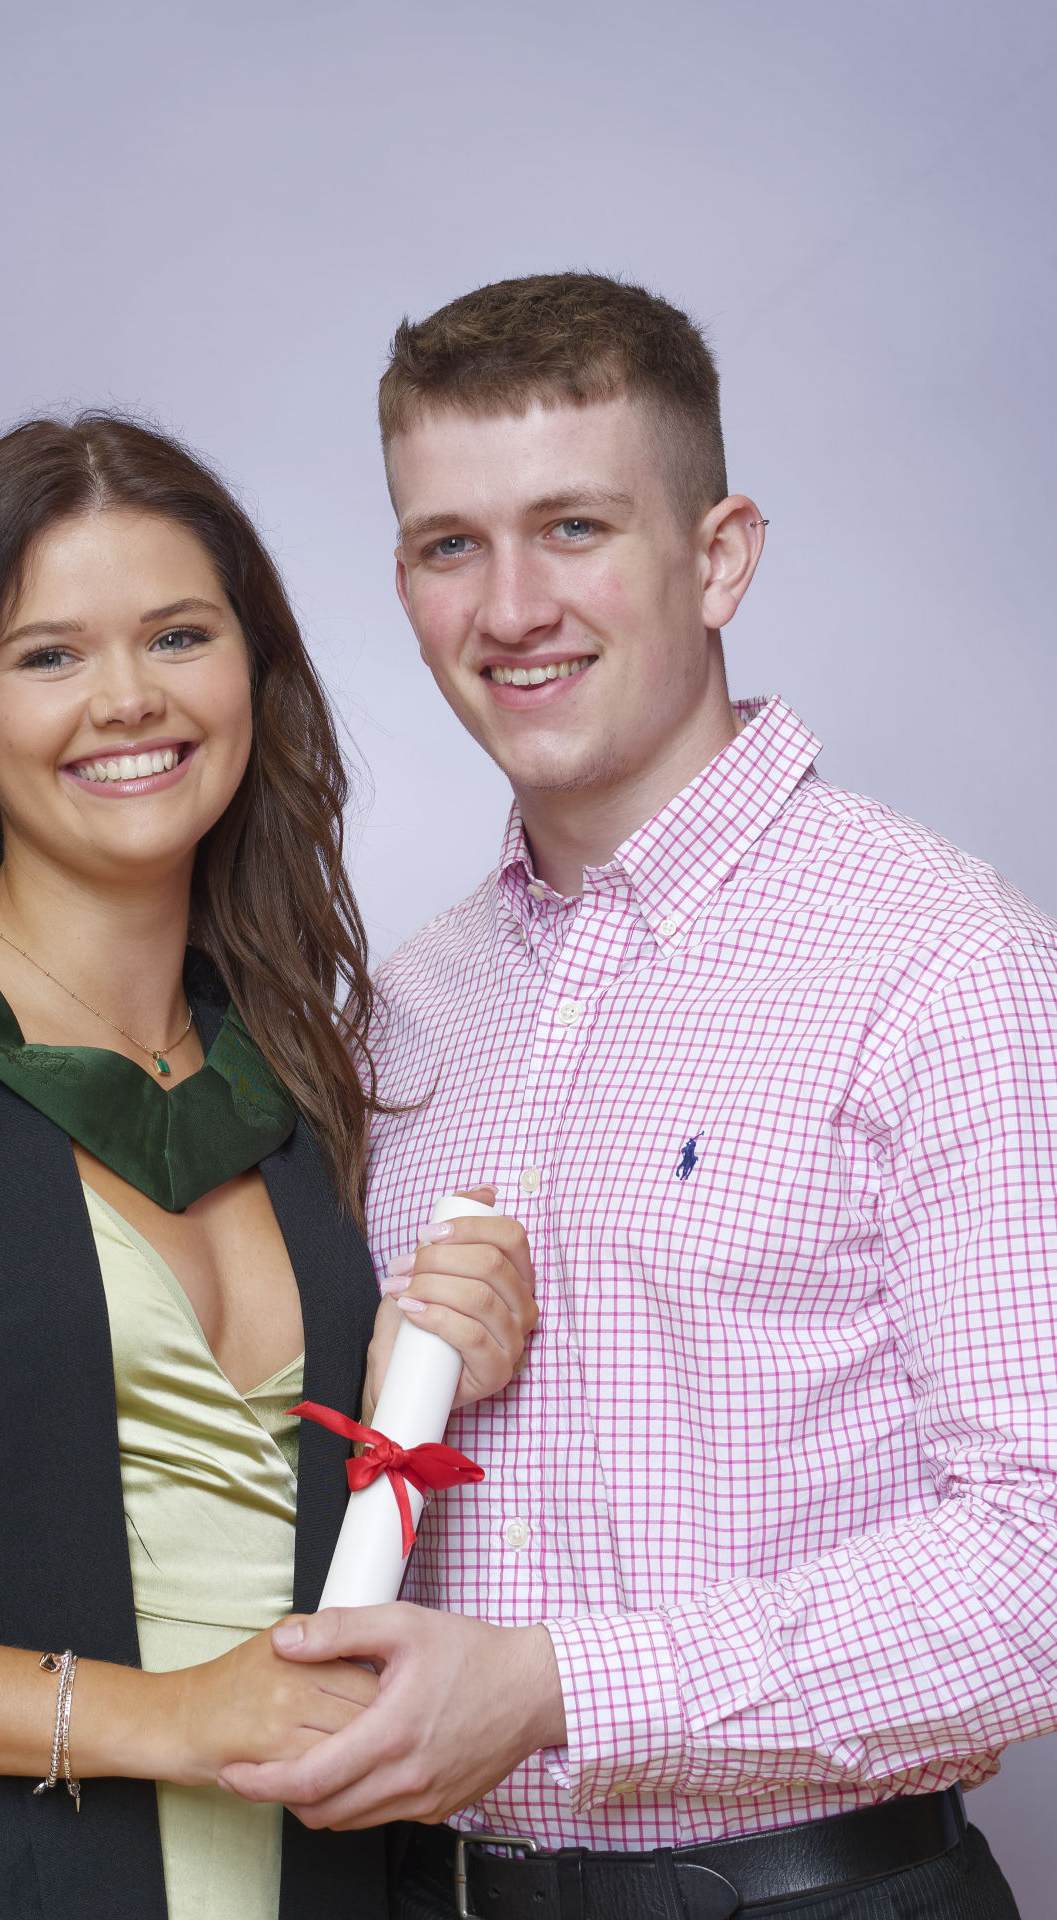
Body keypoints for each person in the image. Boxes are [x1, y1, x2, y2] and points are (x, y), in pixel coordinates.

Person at [221, 274, 1057, 1919]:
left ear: (720, 555)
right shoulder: (402, 1017)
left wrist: (558, 1691)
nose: (510, 606)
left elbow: (1042, 1565)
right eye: (449, 545)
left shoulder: (947, 967)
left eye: (574, 528)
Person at [0, 413, 538, 1920]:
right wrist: (165, 1717)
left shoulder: (300, 1089)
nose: (129, 697)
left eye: (178, 635)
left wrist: (412, 1383)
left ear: (254, 675)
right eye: (49, 655)